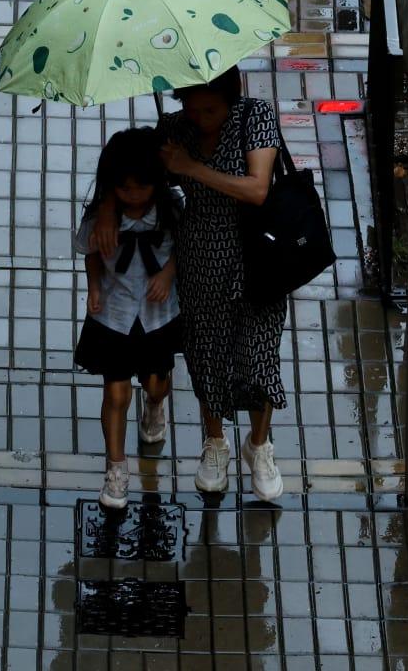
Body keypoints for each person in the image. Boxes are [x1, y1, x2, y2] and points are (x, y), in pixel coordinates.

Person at [94, 67, 287, 501]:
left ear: (230, 98)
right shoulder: (175, 128)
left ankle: (259, 445)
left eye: (210, 109)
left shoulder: (255, 116)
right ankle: (214, 444)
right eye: (192, 108)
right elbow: (129, 168)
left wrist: (191, 168)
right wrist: (107, 206)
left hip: (258, 256)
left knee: (259, 356)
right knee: (206, 355)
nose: (200, 117)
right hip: (200, 258)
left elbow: (257, 189)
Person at [73, 127, 182, 509]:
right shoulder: (100, 216)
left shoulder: (172, 209)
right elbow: (89, 251)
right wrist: (94, 287)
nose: (133, 195)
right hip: (114, 316)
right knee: (115, 391)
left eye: (141, 187)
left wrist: (168, 274)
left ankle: (154, 407)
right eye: (123, 188)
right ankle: (116, 468)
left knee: (156, 384)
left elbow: (186, 247)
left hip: (157, 315)